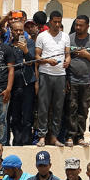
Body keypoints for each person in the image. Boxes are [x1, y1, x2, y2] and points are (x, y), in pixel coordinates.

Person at [35, 11, 70, 147]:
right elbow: (37, 57)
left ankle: (54, 137)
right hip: (46, 74)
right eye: (54, 22)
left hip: (60, 75)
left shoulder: (65, 36)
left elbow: (68, 55)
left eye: (59, 22)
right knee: (43, 107)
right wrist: (47, 60)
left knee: (58, 108)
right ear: (50, 22)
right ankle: (42, 136)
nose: (57, 24)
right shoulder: (42, 36)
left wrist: (67, 61)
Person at [66, 15, 90, 147]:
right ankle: (70, 136)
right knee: (71, 109)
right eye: (76, 25)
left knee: (83, 110)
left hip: (87, 83)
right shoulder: (69, 39)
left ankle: (80, 137)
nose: (78, 27)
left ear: (87, 26)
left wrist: (87, 55)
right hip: (72, 81)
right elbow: (65, 58)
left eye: (81, 25)